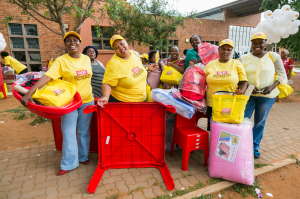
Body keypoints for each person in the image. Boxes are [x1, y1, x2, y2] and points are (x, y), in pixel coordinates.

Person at [20, 31, 94, 175]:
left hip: (87, 100)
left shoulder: (86, 58)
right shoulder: (61, 61)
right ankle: (69, 163)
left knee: (84, 131)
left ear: (80, 43)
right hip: (69, 102)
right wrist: (30, 92)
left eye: (75, 40)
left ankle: (83, 156)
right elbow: (47, 77)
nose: (72, 42)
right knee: (68, 131)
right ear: (65, 45)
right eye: (68, 41)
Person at [239, 32, 287, 159]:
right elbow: (239, 76)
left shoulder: (273, 56)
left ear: (265, 43)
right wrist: (249, 86)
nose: (257, 45)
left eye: (260, 42)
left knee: (260, 122)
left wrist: (271, 87)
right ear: (251, 44)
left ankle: (254, 146)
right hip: (248, 95)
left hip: (267, 96)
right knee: (244, 120)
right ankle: (242, 145)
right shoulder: (243, 58)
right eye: (255, 43)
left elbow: (282, 75)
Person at [97, 35, 157, 106]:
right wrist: (105, 97)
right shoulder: (113, 63)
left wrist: (147, 68)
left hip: (141, 100)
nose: (121, 47)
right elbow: (107, 83)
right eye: (116, 47)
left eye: (122, 43)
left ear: (126, 42)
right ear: (115, 51)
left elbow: (135, 68)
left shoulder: (134, 54)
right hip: (124, 103)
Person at [204, 39, 248, 131]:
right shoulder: (210, 65)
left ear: (231, 51)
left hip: (230, 102)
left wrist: (241, 91)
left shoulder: (236, 64)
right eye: (223, 49)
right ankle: (213, 145)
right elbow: (202, 81)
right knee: (213, 129)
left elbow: (244, 81)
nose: (225, 52)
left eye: (228, 50)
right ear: (219, 50)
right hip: (213, 103)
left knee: (228, 130)